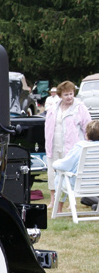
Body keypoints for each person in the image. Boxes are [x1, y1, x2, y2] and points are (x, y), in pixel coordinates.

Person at [45, 81, 90, 211]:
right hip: (54, 144)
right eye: (66, 94)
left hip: (72, 147)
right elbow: (48, 127)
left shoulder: (80, 107)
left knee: (70, 175)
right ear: (60, 95)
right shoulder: (53, 107)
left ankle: (72, 202)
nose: (69, 97)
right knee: (53, 173)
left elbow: (87, 126)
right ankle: (53, 201)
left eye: (71, 94)